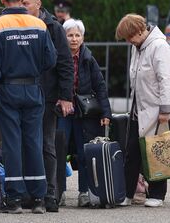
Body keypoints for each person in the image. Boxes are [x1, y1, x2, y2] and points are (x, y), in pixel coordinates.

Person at [0, 0, 57, 214]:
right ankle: (39, 199)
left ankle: (14, 199)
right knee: (34, 142)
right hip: (33, 89)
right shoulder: (39, 24)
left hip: (8, 91)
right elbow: (51, 59)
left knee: (12, 143)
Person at [115, 14, 170, 208]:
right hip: (139, 109)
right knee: (132, 151)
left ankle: (157, 194)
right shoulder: (138, 47)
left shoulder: (159, 46)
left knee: (158, 151)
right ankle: (127, 193)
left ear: (140, 31)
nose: (128, 41)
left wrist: (166, 109)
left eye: (129, 36)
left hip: (158, 110)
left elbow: (166, 80)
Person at [21, 0, 74, 212]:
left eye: (26, 3)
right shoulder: (17, 23)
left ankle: (50, 193)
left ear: (38, 5)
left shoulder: (53, 27)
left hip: (47, 95)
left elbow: (64, 63)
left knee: (46, 145)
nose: (22, 7)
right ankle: (28, 193)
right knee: (24, 144)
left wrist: (65, 97)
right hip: (23, 94)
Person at [58, 19, 111, 207]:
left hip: (84, 113)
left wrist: (106, 113)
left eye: (77, 35)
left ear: (82, 38)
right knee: (59, 151)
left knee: (84, 152)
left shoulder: (89, 58)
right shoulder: (58, 56)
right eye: (70, 35)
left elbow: (100, 86)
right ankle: (59, 191)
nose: (73, 39)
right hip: (62, 112)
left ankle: (84, 193)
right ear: (64, 37)